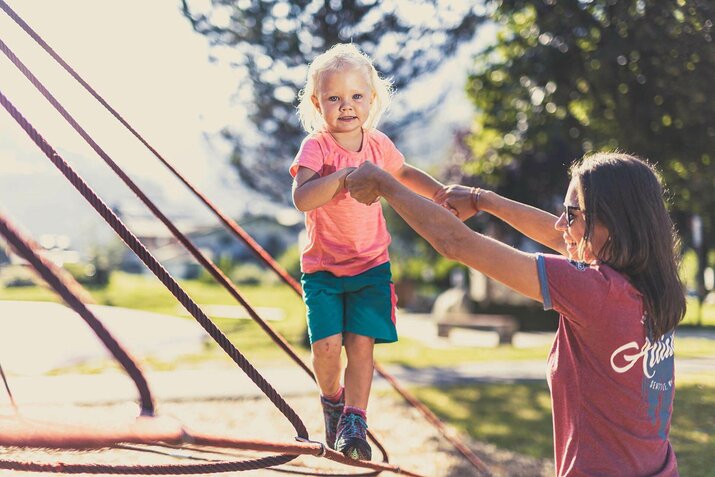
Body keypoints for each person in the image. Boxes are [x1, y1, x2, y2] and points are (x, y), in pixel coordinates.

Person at [345, 152, 685, 476]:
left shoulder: (595, 292)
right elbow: (563, 238)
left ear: (611, 222)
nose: (559, 223)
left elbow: (456, 243)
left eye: (571, 213)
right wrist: (482, 199)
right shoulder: (654, 287)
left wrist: (385, 184)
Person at [290, 43, 448, 461]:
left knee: (362, 345)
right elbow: (303, 198)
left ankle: (355, 420)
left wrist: (440, 193)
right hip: (323, 268)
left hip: (371, 265)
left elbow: (404, 173)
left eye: (356, 96)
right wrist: (344, 177)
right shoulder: (317, 147)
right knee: (325, 349)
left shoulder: (378, 145)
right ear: (316, 102)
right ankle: (333, 401)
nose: (346, 106)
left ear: (372, 100)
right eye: (334, 98)